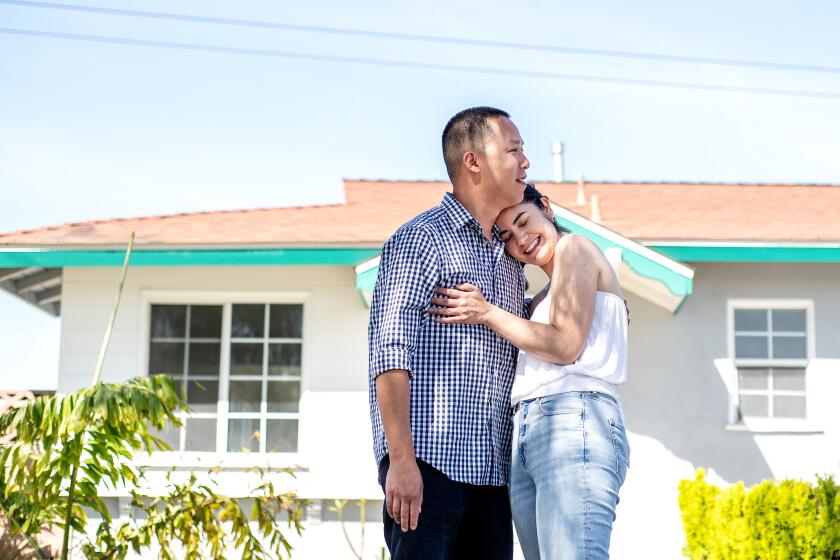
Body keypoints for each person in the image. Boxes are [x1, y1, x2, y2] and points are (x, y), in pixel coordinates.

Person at [429, 184, 630, 560]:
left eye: (524, 221)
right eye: (506, 235)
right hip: (528, 432)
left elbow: (564, 345)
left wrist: (486, 311)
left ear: (547, 209)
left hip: (576, 419)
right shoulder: (543, 296)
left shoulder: (576, 247)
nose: (521, 240)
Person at [367, 106, 531, 559]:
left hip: (493, 478)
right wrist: (401, 461)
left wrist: (599, 294)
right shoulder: (421, 238)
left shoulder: (509, 258)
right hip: (428, 469)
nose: (525, 162)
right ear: (473, 161)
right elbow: (389, 352)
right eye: (513, 149)